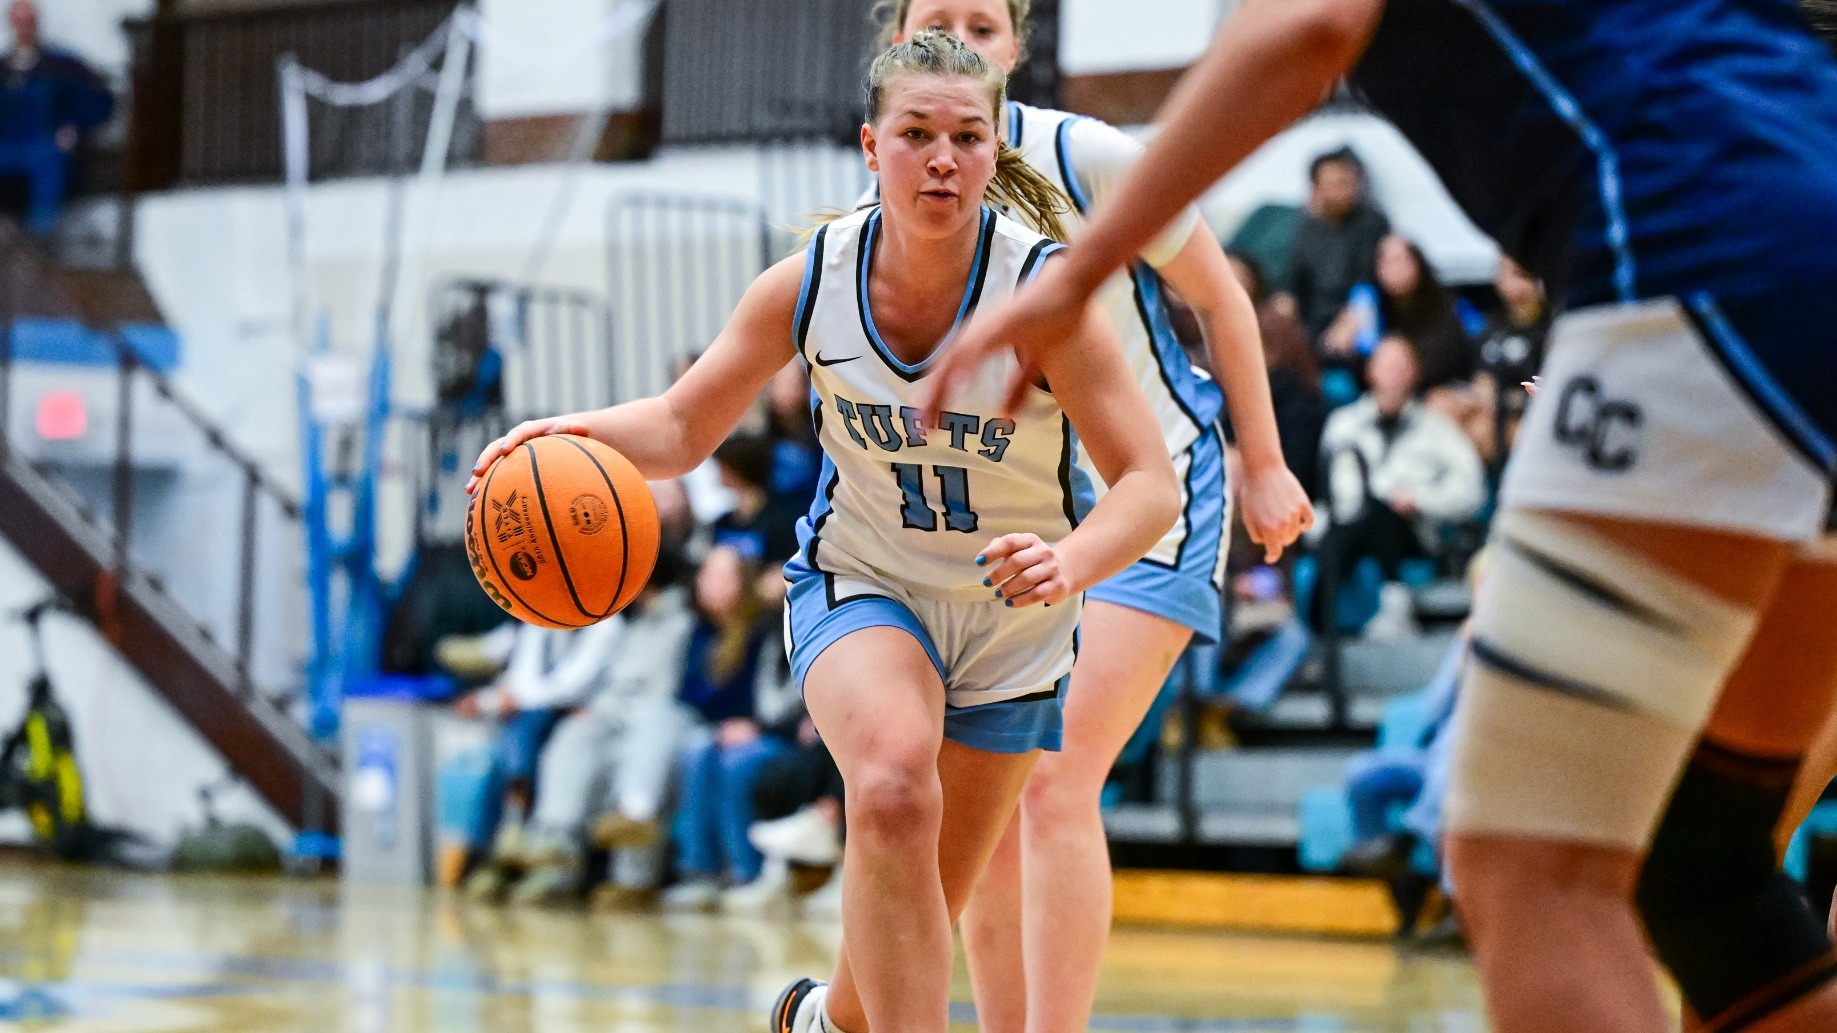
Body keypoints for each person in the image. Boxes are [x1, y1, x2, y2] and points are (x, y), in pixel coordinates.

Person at [925, 1, 1837, 1030]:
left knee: (1525, 866)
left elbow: (1309, 25)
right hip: (1789, 223)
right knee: (1703, 867)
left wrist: (1080, 272)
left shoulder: (1071, 154)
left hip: (1706, 259)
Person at [470, 30, 1179, 1033]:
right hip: (866, 584)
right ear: (870, 145)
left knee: (921, 892)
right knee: (890, 786)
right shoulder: (808, 283)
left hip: (1012, 621)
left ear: (993, 151)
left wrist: (1071, 558)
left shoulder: (1043, 295)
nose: (942, 156)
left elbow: (1149, 486)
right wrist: (560, 431)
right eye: (916, 133)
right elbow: (680, 426)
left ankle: (819, 1024)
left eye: (966, 137)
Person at [840, 8, 1312, 1033]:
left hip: (1157, 488)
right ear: (895, 44)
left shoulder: (1084, 155)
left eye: (984, 22)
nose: (965, 37)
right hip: (1024, 515)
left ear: (1017, 45)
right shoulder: (898, 187)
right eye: (938, 21)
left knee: (1054, 779)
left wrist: (1266, 462)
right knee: (988, 799)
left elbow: (1224, 302)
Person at [507, 547, 696, 907]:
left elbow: (667, 691)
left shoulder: (682, 621)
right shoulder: (627, 621)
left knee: (648, 738)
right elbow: (611, 685)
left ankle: (635, 823)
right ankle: (554, 841)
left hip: (670, 717)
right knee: (575, 733)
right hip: (620, 715)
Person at [1313, 334, 1485, 628]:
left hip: (1411, 531)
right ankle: (1329, 627)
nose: (1393, 374)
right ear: (1370, 371)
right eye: (1386, 365)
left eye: (1401, 366)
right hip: (1348, 525)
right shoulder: (1343, 424)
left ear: (1414, 374)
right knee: (1352, 519)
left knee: (1376, 514)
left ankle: (1318, 627)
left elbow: (1473, 490)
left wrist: (1421, 499)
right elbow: (1330, 489)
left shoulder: (1437, 428)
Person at [453, 618, 620, 901]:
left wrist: (498, 701)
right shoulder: (539, 616)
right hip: (532, 713)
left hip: (580, 711)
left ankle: (503, 838)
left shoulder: (607, 624)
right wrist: (499, 700)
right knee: (501, 759)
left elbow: (571, 685)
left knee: (522, 735)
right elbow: (523, 677)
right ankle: (497, 853)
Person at [663, 545, 783, 909]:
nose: (708, 583)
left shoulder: (763, 628)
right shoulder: (698, 633)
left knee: (733, 761)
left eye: (721, 575)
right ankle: (698, 871)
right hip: (717, 732)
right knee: (697, 750)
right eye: (706, 574)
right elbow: (689, 695)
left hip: (769, 734)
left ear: (743, 583)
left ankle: (745, 871)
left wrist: (754, 724)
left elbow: (769, 698)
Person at [0, 1, 111, 236]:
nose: (24, 28)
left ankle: (43, 240)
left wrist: (74, 127)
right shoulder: (3, 69)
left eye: (29, 21)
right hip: (6, 147)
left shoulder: (63, 66)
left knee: (47, 165)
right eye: (18, 22)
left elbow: (100, 101)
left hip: (46, 145)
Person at [1323, 234, 1474, 390]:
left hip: (1435, 388)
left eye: (1398, 260)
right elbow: (1335, 356)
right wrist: (1341, 345)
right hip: (1380, 391)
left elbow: (1450, 357)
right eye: (1385, 261)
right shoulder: (1369, 303)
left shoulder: (1443, 302)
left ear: (1417, 263)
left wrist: (1398, 365)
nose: (1392, 269)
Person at [1282, 145, 1390, 344]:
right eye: (1335, 183)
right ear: (1316, 188)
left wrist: (1349, 319)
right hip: (1314, 321)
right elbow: (1296, 282)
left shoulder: (1371, 223)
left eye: (1348, 182)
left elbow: (1369, 282)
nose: (1345, 190)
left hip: (1361, 317)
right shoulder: (1306, 228)